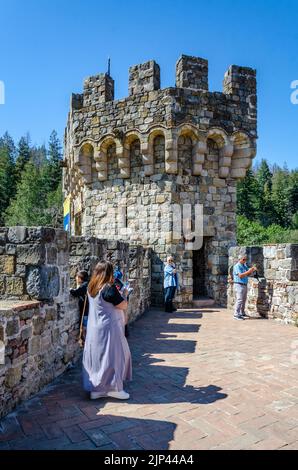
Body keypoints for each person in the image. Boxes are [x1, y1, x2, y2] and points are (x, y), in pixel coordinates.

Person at [82, 261, 132, 400]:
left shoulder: (91, 287)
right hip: (110, 327)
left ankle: (97, 389)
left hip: (94, 328)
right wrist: (125, 294)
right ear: (108, 273)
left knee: (97, 358)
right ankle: (114, 388)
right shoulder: (108, 288)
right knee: (115, 357)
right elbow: (123, 305)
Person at [233, 254, 257, 320]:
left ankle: (241, 313)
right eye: (243, 259)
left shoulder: (244, 265)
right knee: (239, 299)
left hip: (244, 284)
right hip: (239, 284)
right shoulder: (237, 266)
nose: (244, 261)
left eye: (245, 259)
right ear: (239, 259)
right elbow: (240, 275)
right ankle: (236, 314)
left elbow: (248, 273)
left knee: (243, 300)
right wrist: (249, 271)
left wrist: (252, 269)